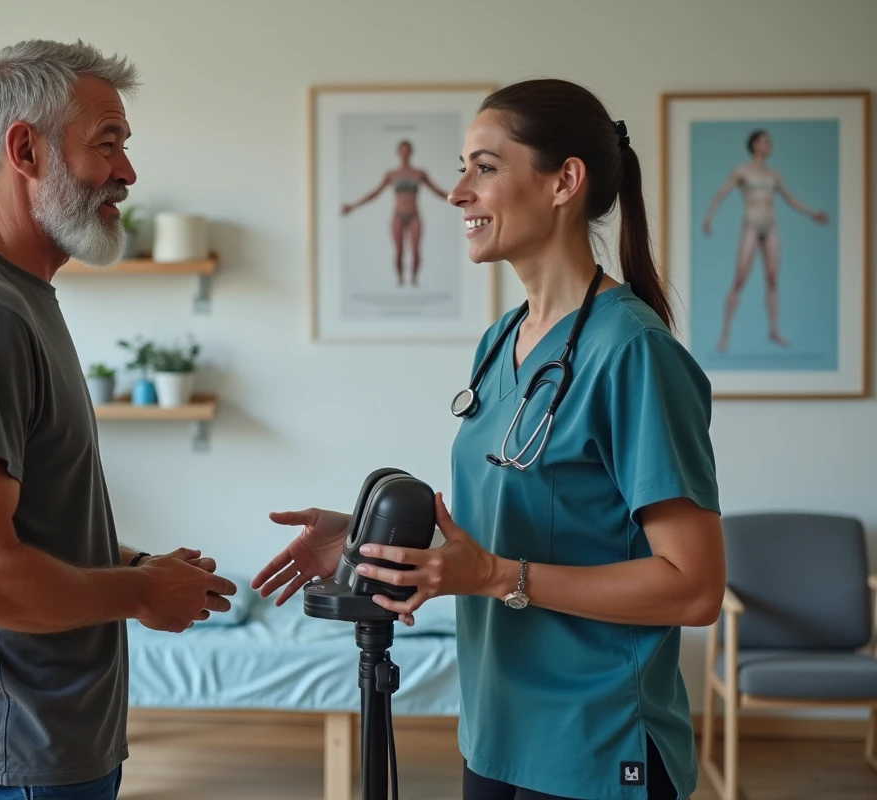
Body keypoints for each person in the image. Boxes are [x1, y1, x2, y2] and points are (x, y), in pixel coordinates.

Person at [255, 78, 725, 800]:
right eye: (461, 168)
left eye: (484, 167)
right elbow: (507, 530)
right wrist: (367, 540)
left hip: (594, 746)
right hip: (494, 733)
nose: (457, 193)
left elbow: (693, 587)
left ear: (565, 181)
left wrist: (499, 578)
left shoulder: (631, 352)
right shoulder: (501, 341)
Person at [0, 39, 236, 800]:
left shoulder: (18, 300)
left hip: (41, 747)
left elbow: (26, 528)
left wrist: (134, 567)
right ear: (25, 150)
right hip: (7, 753)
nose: (128, 173)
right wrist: (140, 598)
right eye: (106, 144)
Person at [702, 129, 829, 351]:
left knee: (772, 279)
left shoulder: (773, 175)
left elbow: (790, 199)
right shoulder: (742, 171)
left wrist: (812, 214)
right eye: (764, 141)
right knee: (740, 279)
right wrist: (709, 217)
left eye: (769, 141)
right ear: (755, 145)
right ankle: (724, 334)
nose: (768, 144)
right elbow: (721, 193)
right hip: (751, 225)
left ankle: (773, 330)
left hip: (770, 226)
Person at [342, 139, 450, 286]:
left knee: (416, 250)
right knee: (399, 251)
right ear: (398, 153)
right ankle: (400, 280)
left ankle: (413, 280)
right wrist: (353, 206)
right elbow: (375, 193)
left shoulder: (419, 173)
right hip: (398, 215)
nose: (404, 154)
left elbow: (437, 191)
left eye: (407, 151)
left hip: (414, 215)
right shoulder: (392, 174)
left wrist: (459, 200)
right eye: (402, 151)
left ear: (411, 153)